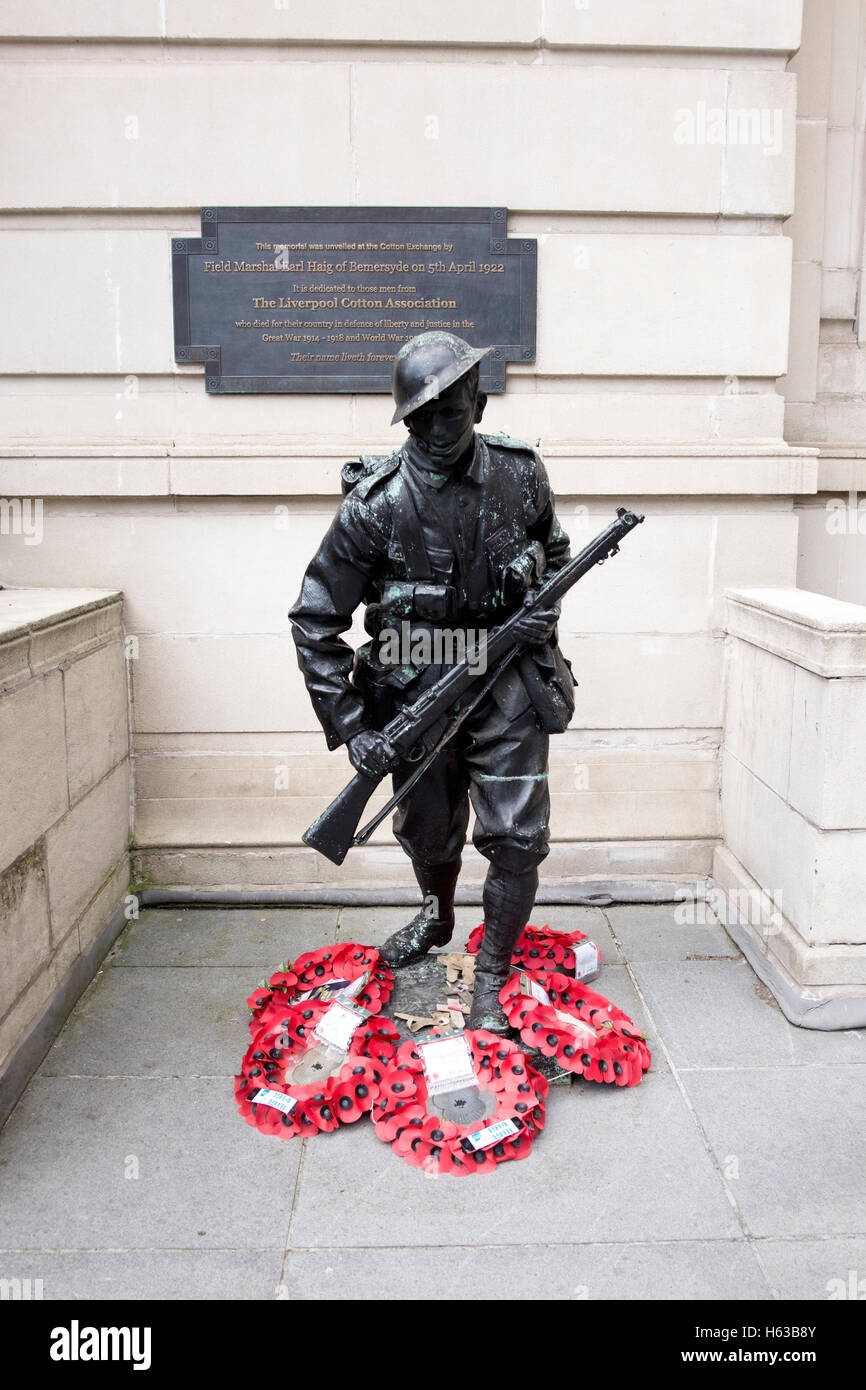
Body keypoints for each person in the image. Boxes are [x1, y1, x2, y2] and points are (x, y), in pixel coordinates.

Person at [289, 331, 573, 1032]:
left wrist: (538, 591)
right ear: (405, 419)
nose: (439, 429)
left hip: (506, 681)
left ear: (477, 401)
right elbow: (315, 618)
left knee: (516, 837)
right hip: (414, 689)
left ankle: (494, 979)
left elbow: (559, 550)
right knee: (428, 832)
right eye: (422, 417)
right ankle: (438, 915)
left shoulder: (521, 472)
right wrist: (353, 728)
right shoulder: (375, 503)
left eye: (453, 411)